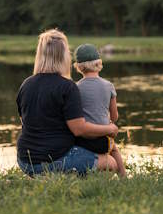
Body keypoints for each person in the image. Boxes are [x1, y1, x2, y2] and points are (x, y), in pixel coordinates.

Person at [16, 29, 119, 176]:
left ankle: (54, 177)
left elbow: (24, 122)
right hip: (54, 159)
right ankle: (66, 176)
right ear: (64, 56)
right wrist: (110, 129)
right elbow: (79, 129)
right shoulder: (67, 87)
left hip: (25, 162)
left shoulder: (26, 84)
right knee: (111, 163)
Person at [73, 44, 126, 177]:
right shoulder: (109, 86)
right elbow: (114, 117)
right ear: (99, 63)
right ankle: (123, 177)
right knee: (114, 150)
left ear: (79, 67)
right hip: (103, 141)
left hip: (82, 140)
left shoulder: (75, 88)